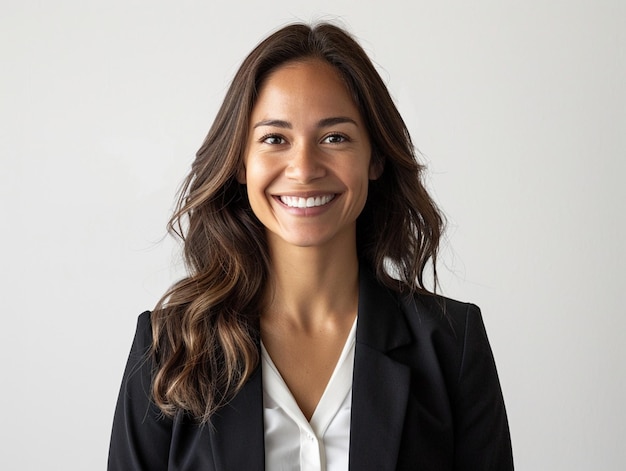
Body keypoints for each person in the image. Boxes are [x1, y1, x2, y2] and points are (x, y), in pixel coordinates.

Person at [108, 22, 513, 470]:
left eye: (334, 137)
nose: (303, 168)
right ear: (241, 162)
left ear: (374, 157)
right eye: (274, 139)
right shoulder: (169, 348)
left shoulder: (452, 346)